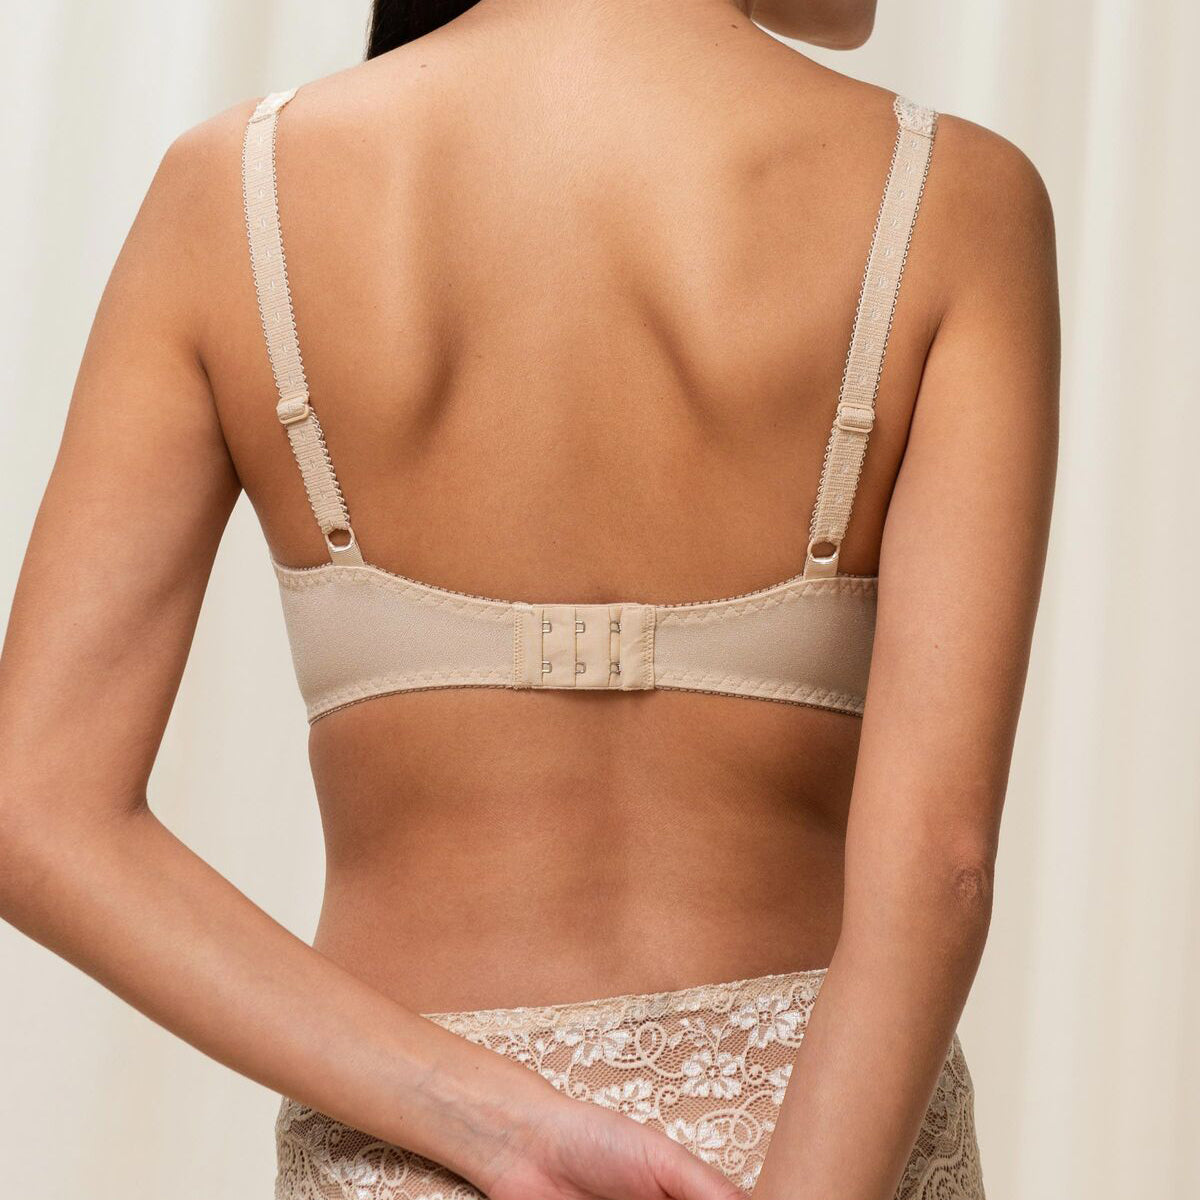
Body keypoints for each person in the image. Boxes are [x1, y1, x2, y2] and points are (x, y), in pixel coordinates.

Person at [0, 0, 1059, 1197]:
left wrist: (494, 1127)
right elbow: (940, 868)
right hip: (836, 1144)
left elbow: (38, 812)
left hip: (415, 1158)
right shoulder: (955, 198)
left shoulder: (231, 194)